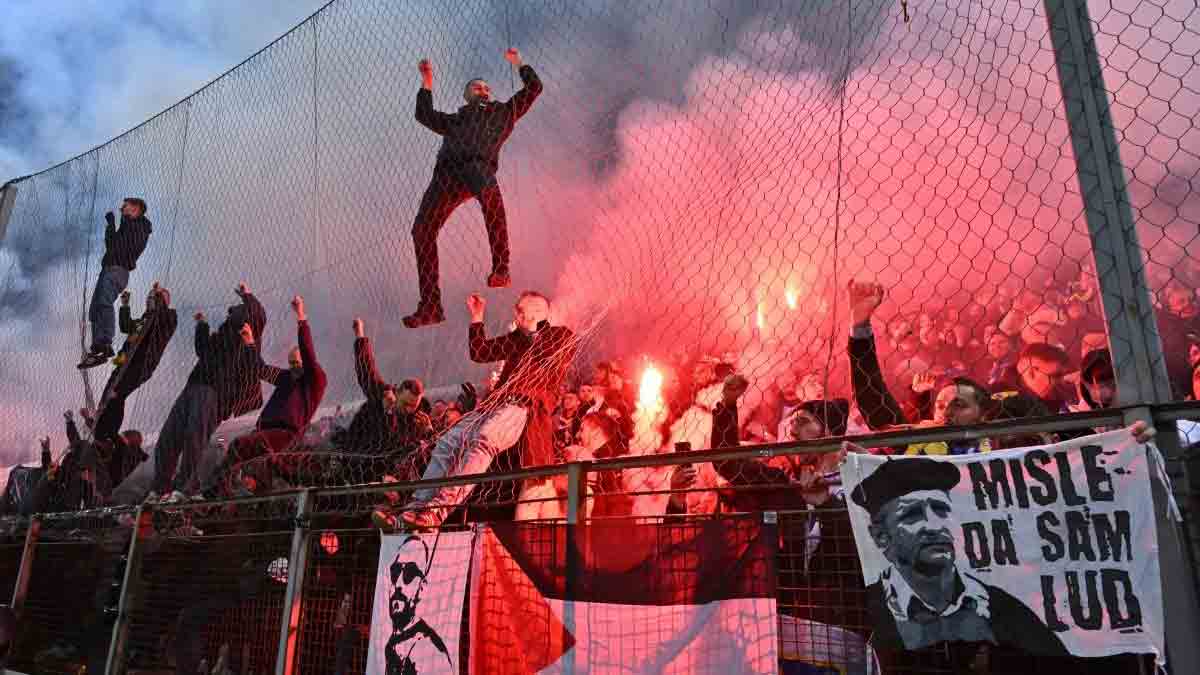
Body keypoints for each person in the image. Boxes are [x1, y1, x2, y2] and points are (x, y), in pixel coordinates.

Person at [379, 290, 577, 529]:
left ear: (538, 311)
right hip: (492, 405)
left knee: (485, 441)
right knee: (448, 442)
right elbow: (480, 352)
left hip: (521, 407)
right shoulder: (515, 339)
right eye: (518, 309)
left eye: (522, 309)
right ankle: (414, 510)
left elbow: (551, 350)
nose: (517, 313)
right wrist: (477, 316)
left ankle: (436, 512)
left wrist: (533, 328)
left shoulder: (558, 335)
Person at [850, 457, 1069, 654]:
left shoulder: (1001, 606)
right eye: (912, 515)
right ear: (880, 536)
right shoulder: (868, 604)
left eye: (941, 509)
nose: (935, 526)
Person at [402, 48, 544, 328]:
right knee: (422, 230)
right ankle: (430, 306)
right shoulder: (455, 120)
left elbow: (535, 87)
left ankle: (501, 267)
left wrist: (519, 63)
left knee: (491, 198)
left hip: (478, 167)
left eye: (486, 87)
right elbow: (423, 113)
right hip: (446, 175)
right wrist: (427, 80)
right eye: (476, 87)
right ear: (466, 95)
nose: (483, 89)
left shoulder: (504, 112)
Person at [144, 283, 269, 502]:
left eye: (237, 309)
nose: (231, 311)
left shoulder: (244, 336)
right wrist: (201, 325)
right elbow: (203, 350)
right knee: (167, 438)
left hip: (214, 392)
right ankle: (160, 488)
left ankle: (186, 488)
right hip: (193, 387)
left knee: (194, 437)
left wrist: (247, 294)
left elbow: (258, 314)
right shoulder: (221, 337)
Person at [846, 280, 993, 455]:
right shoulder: (917, 443)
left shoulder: (1007, 445)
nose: (946, 412)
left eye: (959, 405)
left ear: (982, 415)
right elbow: (874, 400)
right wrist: (860, 326)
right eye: (939, 406)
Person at [204, 296, 327, 496]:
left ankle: (215, 491)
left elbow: (308, 352)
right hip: (266, 432)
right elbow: (261, 369)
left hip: (286, 434)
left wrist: (301, 316)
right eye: (291, 362)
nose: (293, 366)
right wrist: (250, 343)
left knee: (241, 447)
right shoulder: (287, 378)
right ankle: (230, 493)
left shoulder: (315, 380)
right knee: (251, 460)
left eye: (297, 362)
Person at [333, 319, 433, 480]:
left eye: (414, 405)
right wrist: (360, 336)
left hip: (390, 476)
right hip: (360, 463)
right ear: (398, 392)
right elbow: (367, 372)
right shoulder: (384, 395)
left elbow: (419, 451)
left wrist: (428, 431)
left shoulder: (419, 420)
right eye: (406, 404)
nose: (409, 409)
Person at [90, 283, 178, 446]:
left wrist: (158, 299)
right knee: (109, 395)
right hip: (124, 363)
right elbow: (126, 326)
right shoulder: (143, 320)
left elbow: (164, 318)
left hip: (142, 364)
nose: (150, 299)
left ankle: (108, 436)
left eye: (155, 297)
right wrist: (125, 306)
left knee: (117, 395)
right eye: (150, 297)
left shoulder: (169, 317)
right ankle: (99, 430)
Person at [79, 198, 153, 368]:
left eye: (125, 206)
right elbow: (112, 244)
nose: (122, 208)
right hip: (109, 268)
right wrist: (111, 225)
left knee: (104, 302)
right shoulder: (128, 226)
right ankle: (99, 348)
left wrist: (125, 221)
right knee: (95, 308)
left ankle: (105, 341)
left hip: (118, 270)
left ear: (136, 209)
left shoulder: (140, 226)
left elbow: (130, 245)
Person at [382, 536, 452, 673]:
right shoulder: (395, 639)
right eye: (395, 572)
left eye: (410, 573)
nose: (399, 585)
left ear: (422, 587)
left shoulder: (425, 647)